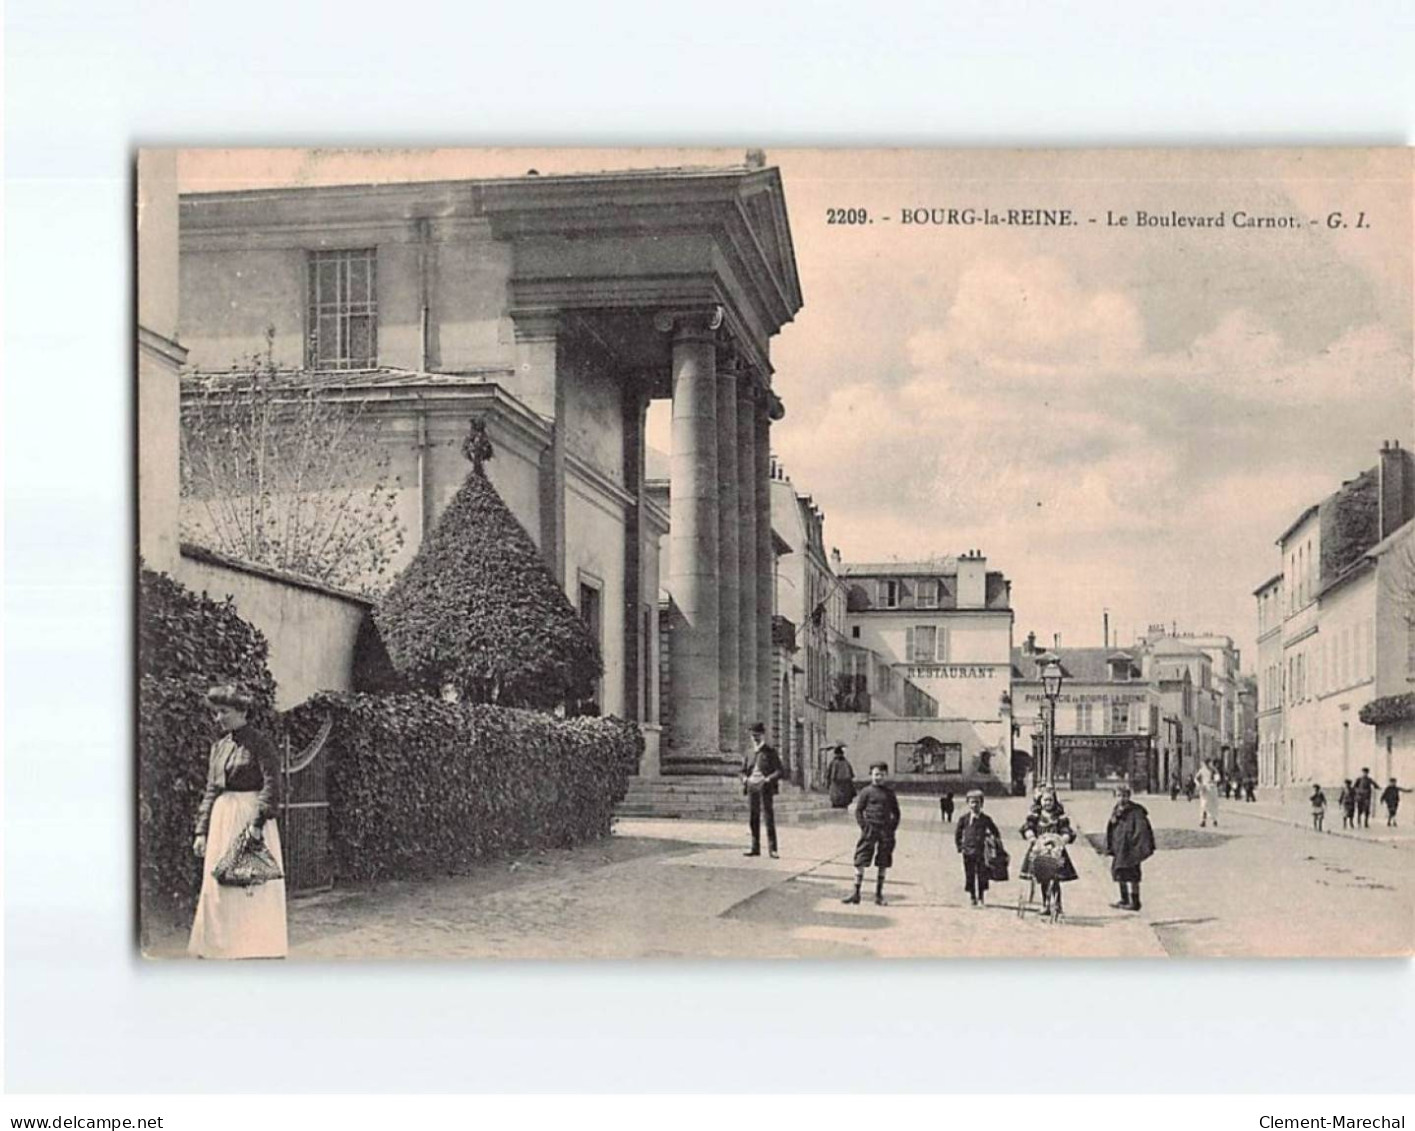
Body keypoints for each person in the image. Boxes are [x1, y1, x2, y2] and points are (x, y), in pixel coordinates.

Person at [189, 684, 288, 959]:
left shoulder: (260, 743)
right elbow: (211, 789)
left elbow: (272, 785)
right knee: (220, 882)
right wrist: (201, 831)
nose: (218, 718)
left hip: (250, 816)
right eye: (216, 712)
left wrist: (257, 823)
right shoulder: (219, 747)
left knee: (250, 881)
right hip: (222, 818)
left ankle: (256, 943)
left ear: (242, 712)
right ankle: (222, 943)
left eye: (224, 712)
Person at [843, 762, 902, 906]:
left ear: (886, 775)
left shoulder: (889, 793)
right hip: (870, 830)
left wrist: (891, 828)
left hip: (885, 831)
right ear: (871, 775)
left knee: (883, 861)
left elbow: (896, 813)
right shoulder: (866, 792)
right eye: (876, 774)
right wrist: (864, 826)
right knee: (860, 858)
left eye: (881, 775)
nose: (878, 777)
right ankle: (856, 893)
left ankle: (879, 895)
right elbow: (858, 811)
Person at [1019, 792, 1078, 915]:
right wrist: (1031, 837)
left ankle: (1057, 905)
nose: (1048, 803)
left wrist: (1063, 839)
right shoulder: (1036, 816)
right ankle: (1045, 904)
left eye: (1050, 800)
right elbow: (1028, 827)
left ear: (1054, 801)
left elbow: (1066, 830)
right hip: (1039, 850)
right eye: (1045, 800)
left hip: (1055, 851)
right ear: (1040, 801)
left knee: (1055, 879)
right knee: (1042, 878)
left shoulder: (1059, 818)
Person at [1104, 783, 1156, 912]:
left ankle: (1135, 901)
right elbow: (1112, 827)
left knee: (1133, 875)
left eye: (1125, 796)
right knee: (1119, 872)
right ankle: (1124, 898)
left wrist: (1137, 846)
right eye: (1119, 796)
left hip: (1131, 848)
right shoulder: (1116, 809)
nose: (1122, 799)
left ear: (1129, 796)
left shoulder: (1136, 811)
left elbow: (1142, 830)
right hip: (1120, 847)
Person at [740, 722, 783, 858]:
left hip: (765, 787)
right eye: (753, 736)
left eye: (757, 735)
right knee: (753, 817)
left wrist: (769, 779)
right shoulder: (749, 752)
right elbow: (742, 771)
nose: (755, 738)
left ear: (763, 735)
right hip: (752, 786)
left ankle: (773, 849)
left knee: (768, 817)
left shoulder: (770, 752)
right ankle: (755, 847)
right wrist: (744, 779)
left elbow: (780, 771)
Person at [954, 790, 1001, 907]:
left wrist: (992, 843)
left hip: (982, 852)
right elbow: (958, 834)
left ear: (982, 804)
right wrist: (960, 846)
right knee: (969, 874)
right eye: (972, 802)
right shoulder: (964, 819)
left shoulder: (986, 819)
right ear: (968, 804)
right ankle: (972, 897)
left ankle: (981, 897)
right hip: (968, 851)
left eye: (977, 802)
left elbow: (996, 833)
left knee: (982, 874)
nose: (975, 805)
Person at [824, 743, 857, 809]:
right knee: (839, 799)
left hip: (841, 785)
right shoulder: (842, 762)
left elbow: (829, 775)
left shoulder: (840, 762)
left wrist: (828, 782)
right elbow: (829, 774)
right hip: (839, 785)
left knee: (840, 799)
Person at [1194, 760, 1220, 828]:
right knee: (1204, 805)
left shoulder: (1214, 770)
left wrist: (1214, 781)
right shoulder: (1202, 770)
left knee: (1213, 806)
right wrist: (1199, 784)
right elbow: (1196, 778)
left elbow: (1217, 778)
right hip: (1205, 789)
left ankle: (1214, 820)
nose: (1210, 764)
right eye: (1209, 763)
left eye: (1210, 763)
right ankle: (1203, 821)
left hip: (1213, 789)